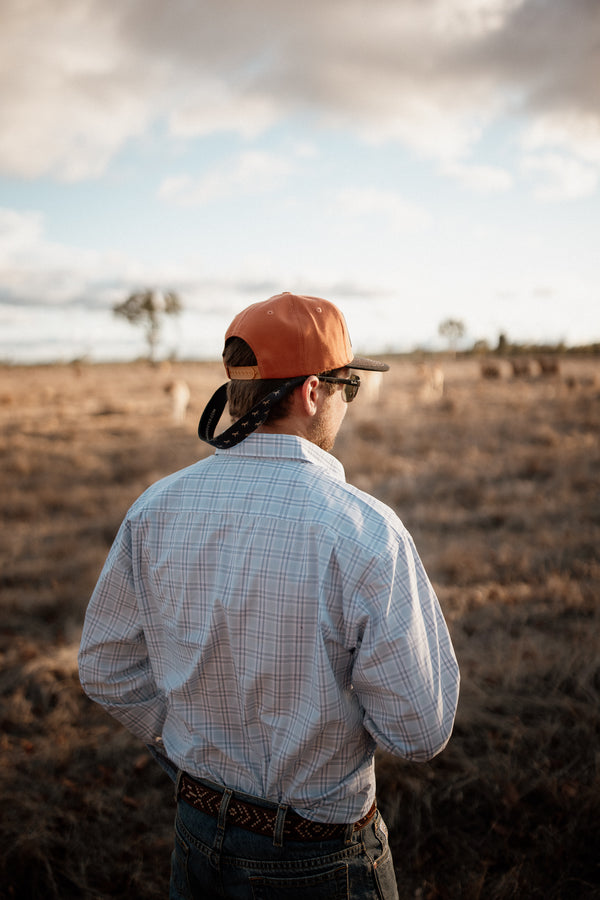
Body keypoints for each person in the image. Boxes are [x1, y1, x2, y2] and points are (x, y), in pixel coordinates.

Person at [79, 291, 460, 899]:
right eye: (348, 387)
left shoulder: (154, 510)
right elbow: (419, 730)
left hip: (196, 835)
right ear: (313, 392)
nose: (347, 403)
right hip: (323, 858)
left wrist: (189, 743)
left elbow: (104, 669)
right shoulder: (365, 532)